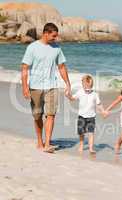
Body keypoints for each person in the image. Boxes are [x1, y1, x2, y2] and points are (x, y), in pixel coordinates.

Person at [21, 23, 71, 153]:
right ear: (45, 33)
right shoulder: (32, 48)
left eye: (56, 36)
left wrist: (68, 84)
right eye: (53, 36)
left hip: (52, 86)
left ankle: (47, 143)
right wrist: (25, 87)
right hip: (35, 87)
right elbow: (25, 68)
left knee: (51, 114)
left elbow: (61, 67)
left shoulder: (57, 48)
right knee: (37, 116)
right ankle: (39, 141)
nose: (55, 38)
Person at [68, 75, 105, 153]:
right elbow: (72, 99)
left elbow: (99, 104)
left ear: (92, 86)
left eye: (89, 87)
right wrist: (68, 95)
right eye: (86, 87)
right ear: (83, 85)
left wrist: (103, 112)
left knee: (91, 133)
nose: (88, 89)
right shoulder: (80, 92)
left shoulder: (95, 94)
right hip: (82, 116)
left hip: (91, 117)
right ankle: (81, 145)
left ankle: (91, 148)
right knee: (81, 132)